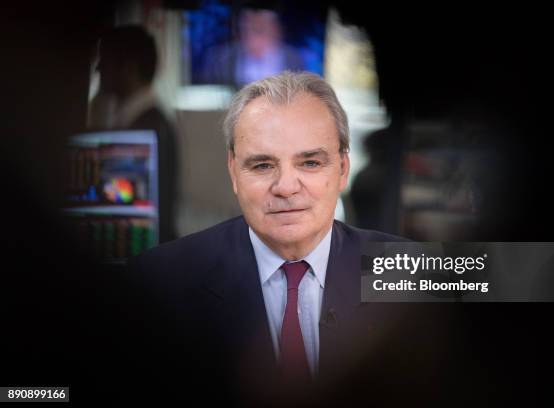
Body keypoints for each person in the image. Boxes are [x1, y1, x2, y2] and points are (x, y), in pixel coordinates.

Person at [125, 71, 406, 404]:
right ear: (234, 172)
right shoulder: (157, 280)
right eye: (262, 166)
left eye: (311, 162)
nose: (286, 187)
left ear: (343, 169)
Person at [91, 25, 178, 243]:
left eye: (105, 60)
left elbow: (130, 200)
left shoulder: (146, 127)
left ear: (128, 67)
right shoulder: (142, 119)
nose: (98, 68)